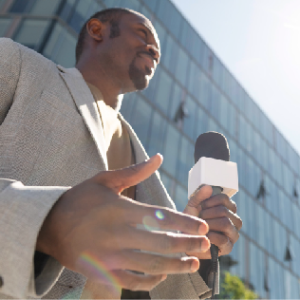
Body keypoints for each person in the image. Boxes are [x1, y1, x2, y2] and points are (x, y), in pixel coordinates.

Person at [0, 8, 242, 299]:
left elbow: (158, 288)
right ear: (97, 30)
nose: (154, 50)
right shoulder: (16, 64)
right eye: (142, 34)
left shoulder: (144, 164)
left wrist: (197, 249)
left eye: (158, 52)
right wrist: (46, 222)